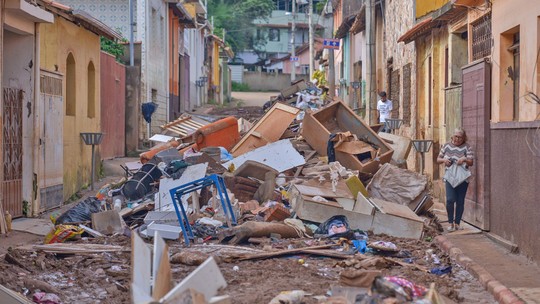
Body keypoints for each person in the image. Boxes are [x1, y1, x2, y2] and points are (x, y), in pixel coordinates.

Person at [436, 128, 474, 232]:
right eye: (456, 136)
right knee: (450, 200)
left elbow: (471, 162)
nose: (457, 139)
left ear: (463, 138)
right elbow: (438, 159)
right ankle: (450, 223)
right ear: (452, 136)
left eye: (460, 137)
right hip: (450, 177)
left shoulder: (467, 147)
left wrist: (464, 159)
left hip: (462, 178)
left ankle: (457, 223)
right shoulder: (446, 145)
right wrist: (445, 160)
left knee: (460, 201)